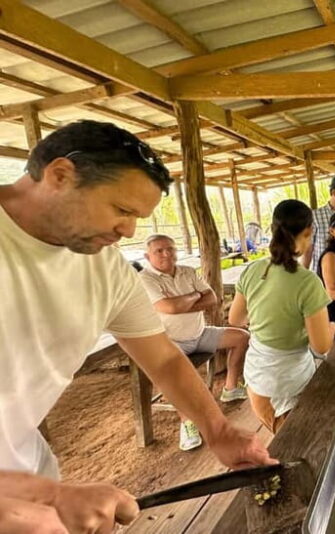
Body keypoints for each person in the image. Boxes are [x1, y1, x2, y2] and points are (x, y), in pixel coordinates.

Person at [0, 120, 273, 533]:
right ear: (59, 176)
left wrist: (217, 430)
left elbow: (163, 357)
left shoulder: (105, 266)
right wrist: (44, 498)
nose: (129, 230)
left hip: (26, 468)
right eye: (122, 210)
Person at [229, 199, 335, 434]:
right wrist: (328, 328)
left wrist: (269, 320)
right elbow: (321, 346)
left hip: (257, 379)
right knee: (297, 444)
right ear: (309, 232)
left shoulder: (252, 270)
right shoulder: (308, 282)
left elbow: (236, 319)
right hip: (286, 385)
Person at [140, 234, 250, 452]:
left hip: (199, 334)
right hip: (170, 341)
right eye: (159, 251)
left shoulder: (187, 271)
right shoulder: (145, 278)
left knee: (242, 337)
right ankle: (187, 423)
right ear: (147, 256)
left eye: (170, 248)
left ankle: (230, 388)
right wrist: (193, 296)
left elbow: (211, 299)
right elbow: (168, 309)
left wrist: (181, 302)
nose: (166, 254)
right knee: (170, 372)